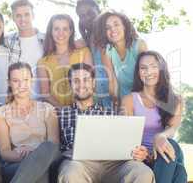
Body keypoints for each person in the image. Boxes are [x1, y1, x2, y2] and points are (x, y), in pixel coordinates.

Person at [57, 63, 155, 183]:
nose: (81, 84)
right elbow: (55, 148)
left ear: (93, 83)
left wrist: (140, 152)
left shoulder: (112, 114)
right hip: (79, 164)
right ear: (71, 85)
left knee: (142, 172)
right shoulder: (61, 114)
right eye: (76, 80)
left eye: (86, 80)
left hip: (113, 165)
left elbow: (128, 145)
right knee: (70, 172)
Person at [121, 51, 187, 183]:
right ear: (138, 73)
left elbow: (172, 129)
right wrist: (146, 154)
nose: (148, 71)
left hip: (166, 151)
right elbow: (126, 136)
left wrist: (160, 136)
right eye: (143, 68)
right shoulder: (129, 100)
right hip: (142, 156)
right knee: (179, 171)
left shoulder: (175, 99)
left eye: (153, 66)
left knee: (171, 145)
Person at [0, 62, 60, 183]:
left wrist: (35, 153)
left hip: (46, 160)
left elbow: (54, 145)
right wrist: (27, 156)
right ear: (9, 82)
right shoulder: (1, 113)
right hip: (16, 164)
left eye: (25, 80)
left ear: (31, 81)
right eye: (16, 81)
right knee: (40, 171)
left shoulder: (47, 108)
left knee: (47, 148)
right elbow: (5, 152)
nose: (21, 85)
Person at [37, 14, 93, 107]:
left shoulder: (84, 52)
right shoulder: (43, 62)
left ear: (71, 31)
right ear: (51, 32)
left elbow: (90, 83)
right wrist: (64, 110)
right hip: (58, 113)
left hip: (84, 110)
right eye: (56, 29)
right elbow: (45, 93)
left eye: (65, 29)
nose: (60, 33)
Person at [93, 10, 148, 102]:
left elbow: (146, 77)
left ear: (124, 26)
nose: (112, 29)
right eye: (107, 28)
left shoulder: (139, 45)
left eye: (116, 24)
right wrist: (116, 101)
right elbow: (112, 81)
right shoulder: (106, 51)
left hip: (143, 96)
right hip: (123, 99)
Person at [76, 0, 112, 108]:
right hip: (99, 101)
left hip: (117, 96)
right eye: (82, 16)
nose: (87, 18)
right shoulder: (87, 41)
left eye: (90, 13)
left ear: (98, 11)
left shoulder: (112, 33)